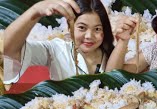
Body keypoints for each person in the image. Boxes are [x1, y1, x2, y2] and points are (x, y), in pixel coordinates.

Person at [4, 0, 137, 83]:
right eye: (82, 28)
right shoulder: (56, 49)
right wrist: (36, 11)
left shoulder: (110, 53)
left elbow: (113, 81)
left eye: (97, 29)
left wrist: (123, 42)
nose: (89, 36)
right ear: (70, 26)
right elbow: (8, 50)